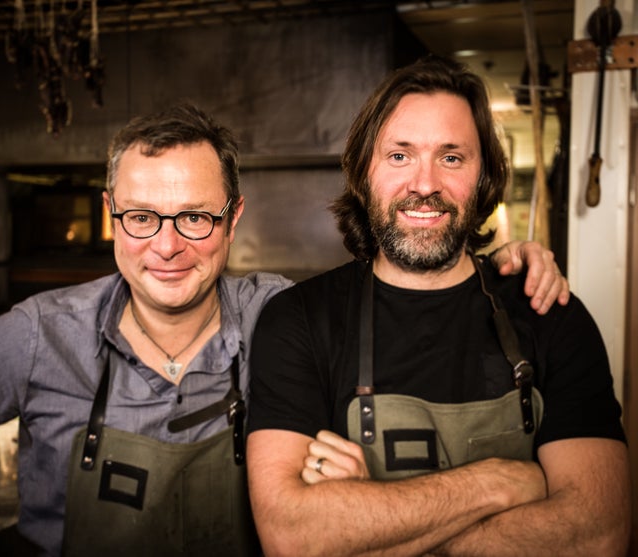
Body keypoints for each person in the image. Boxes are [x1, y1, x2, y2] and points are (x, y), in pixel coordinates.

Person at [0, 104, 568, 557]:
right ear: (111, 215)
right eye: (142, 216)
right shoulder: (40, 334)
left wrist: (497, 277)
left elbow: (417, 307)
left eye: (195, 217)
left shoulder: (286, 317)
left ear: (234, 219)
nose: (167, 245)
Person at [245, 56, 630, 557]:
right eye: (400, 156)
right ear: (363, 171)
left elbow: (600, 534)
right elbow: (294, 537)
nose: (424, 185)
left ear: (485, 176)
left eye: (451, 158)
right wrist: (499, 483)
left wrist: (371, 523)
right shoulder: (297, 320)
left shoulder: (550, 312)